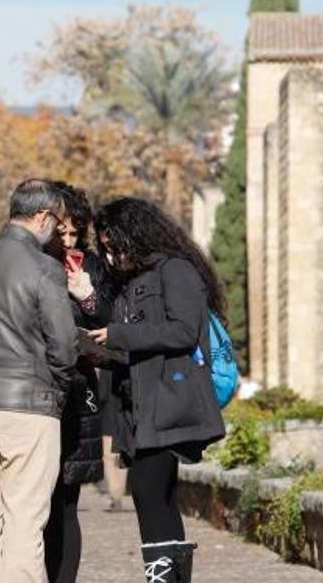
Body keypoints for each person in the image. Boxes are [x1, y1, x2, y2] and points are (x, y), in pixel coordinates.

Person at [88, 197, 227, 583]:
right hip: (138, 406)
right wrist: (104, 352)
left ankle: (163, 578)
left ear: (136, 235)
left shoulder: (176, 271)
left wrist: (120, 334)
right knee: (154, 497)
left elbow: (183, 330)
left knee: (150, 490)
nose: (113, 257)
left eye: (116, 246)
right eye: (106, 249)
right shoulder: (127, 283)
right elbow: (135, 341)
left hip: (171, 401)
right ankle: (166, 577)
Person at [0, 178, 77, 583]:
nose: (58, 231)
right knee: (25, 518)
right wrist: (56, 392)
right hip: (29, 403)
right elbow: (63, 344)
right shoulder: (43, 268)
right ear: (42, 216)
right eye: (56, 223)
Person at [42, 182, 108, 583]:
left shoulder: (94, 265)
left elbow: (106, 320)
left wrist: (86, 297)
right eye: (61, 231)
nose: (68, 240)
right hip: (43, 386)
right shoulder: (36, 262)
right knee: (39, 501)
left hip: (80, 387)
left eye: (75, 232)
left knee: (68, 500)